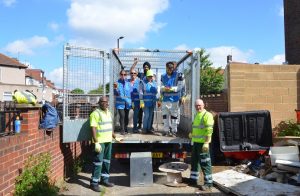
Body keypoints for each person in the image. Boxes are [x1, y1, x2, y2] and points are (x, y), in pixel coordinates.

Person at [89, 96, 117, 192]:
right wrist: (96, 142)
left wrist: (114, 135)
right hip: (100, 142)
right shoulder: (95, 113)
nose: (106, 103)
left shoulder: (108, 112)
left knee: (107, 161)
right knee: (98, 162)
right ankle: (94, 183)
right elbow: (93, 128)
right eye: (104, 102)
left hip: (108, 140)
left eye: (107, 102)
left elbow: (110, 125)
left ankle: (104, 179)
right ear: (99, 103)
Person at [189, 99, 214, 191]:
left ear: (204, 105)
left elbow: (209, 131)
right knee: (194, 162)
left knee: (205, 163)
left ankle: (208, 183)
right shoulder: (197, 115)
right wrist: (192, 134)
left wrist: (206, 143)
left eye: (199, 105)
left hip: (203, 144)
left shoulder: (207, 115)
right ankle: (193, 179)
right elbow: (196, 128)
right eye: (196, 106)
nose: (198, 107)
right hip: (196, 143)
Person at [158, 61, 186, 136]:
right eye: (168, 68)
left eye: (171, 68)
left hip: (174, 100)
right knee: (165, 116)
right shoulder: (163, 76)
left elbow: (181, 87)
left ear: (174, 68)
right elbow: (161, 88)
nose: (170, 70)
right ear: (166, 68)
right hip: (165, 100)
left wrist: (170, 89)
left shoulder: (179, 75)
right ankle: (166, 131)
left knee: (174, 116)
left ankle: (174, 131)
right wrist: (160, 99)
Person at [114, 70, 132, 135]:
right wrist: (116, 89)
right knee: (122, 116)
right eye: (122, 74)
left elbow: (130, 92)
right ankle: (122, 129)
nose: (123, 76)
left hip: (127, 103)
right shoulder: (117, 83)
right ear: (120, 75)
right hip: (120, 103)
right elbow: (115, 93)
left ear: (126, 75)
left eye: (124, 74)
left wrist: (131, 101)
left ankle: (125, 127)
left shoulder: (128, 83)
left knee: (126, 116)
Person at [129, 58, 142, 133]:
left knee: (135, 115)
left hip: (136, 102)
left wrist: (141, 101)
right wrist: (135, 63)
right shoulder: (127, 81)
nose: (133, 74)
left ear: (137, 74)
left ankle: (135, 128)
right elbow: (131, 69)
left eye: (134, 73)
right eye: (132, 73)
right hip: (129, 101)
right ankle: (124, 128)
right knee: (126, 114)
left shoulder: (139, 81)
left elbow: (141, 92)